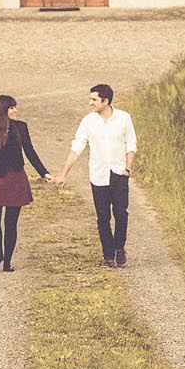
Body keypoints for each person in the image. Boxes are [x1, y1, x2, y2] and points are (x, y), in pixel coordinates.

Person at [52, 82, 136, 267]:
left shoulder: (123, 118)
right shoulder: (88, 121)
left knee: (121, 213)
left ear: (105, 101)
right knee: (103, 216)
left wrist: (128, 168)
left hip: (119, 173)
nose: (91, 103)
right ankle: (108, 255)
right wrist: (63, 173)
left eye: (94, 99)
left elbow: (130, 144)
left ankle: (119, 248)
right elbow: (77, 147)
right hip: (98, 175)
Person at [0, 93, 49, 270]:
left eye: (15, 107)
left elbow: (30, 152)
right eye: (12, 107)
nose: (15, 110)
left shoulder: (21, 127)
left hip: (16, 179)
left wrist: (44, 173)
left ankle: (8, 262)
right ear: (3, 109)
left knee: (11, 223)